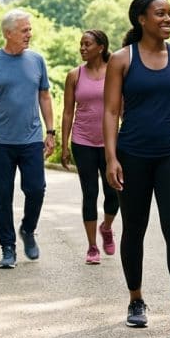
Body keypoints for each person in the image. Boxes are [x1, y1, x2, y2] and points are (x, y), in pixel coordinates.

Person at [103, 0, 170, 338]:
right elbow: (111, 111)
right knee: (134, 229)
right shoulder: (121, 60)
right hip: (132, 155)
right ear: (141, 19)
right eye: (160, 14)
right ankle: (136, 300)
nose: (167, 19)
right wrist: (111, 157)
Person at [0, 9, 56, 269]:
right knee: (2, 195)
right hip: (0, 141)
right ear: (8, 33)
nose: (29, 34)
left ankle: (28, 229)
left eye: (30, 29)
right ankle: (7, 248)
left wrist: (51, 131)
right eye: (24, 30)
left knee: (36, 189)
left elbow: (45, 96)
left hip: (31, 139)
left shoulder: (37, 60)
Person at [61, 29, 119, 265]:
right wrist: (64, 145)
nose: (82, 48)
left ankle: (107, 227)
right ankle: (92, 246)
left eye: (87, 44)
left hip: (110, 143)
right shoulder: (74, 75)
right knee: (90, 193)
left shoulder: (114, 73)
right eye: (81, 45)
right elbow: (67, 112)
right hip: (82, 140)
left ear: (101, 47)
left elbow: (122, 109)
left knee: (113, 192)